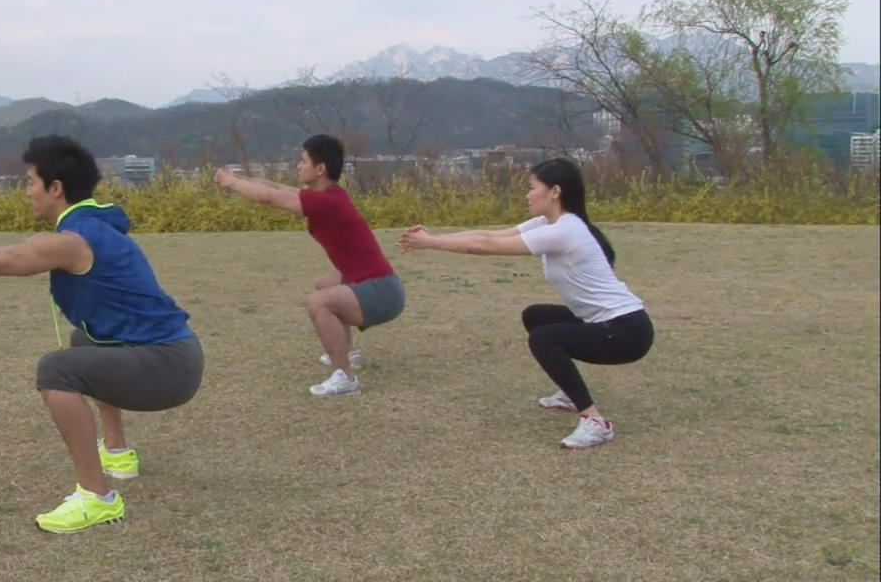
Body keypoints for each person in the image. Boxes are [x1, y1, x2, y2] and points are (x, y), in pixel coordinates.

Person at [0, 135, 204, 533]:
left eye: (31, 181)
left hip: (169, 367)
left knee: (57, 370)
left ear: (55, 188)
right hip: (176, 356)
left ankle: (97, 498)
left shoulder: (73, 240)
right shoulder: (95, 227)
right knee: (83, 343)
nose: (27, 191)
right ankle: (117, 454)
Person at [398, 158, 653, 449]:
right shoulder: (548, 222)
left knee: (544, 338)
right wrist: (434, 237)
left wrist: (431, 244)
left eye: (533, 188)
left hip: (627, 331)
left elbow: (486, 248)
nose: (527, 194)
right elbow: (489, 235)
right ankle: (570, 394)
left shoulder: (565, 230)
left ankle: (595, 423)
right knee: (537, 317)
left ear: (555, 192)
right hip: (606, 323)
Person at [214, 134, 405, 398]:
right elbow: (274, 188)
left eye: (303, 161)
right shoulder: (328, 195)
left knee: (320, 302)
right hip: (378, 285)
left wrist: (231, 182)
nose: (298, 166)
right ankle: (348, 354)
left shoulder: (326, 202)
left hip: (383, 293)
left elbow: (269, 198)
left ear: (320, 169)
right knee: (325, 285)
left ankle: (346, 378)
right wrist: (238, 178)